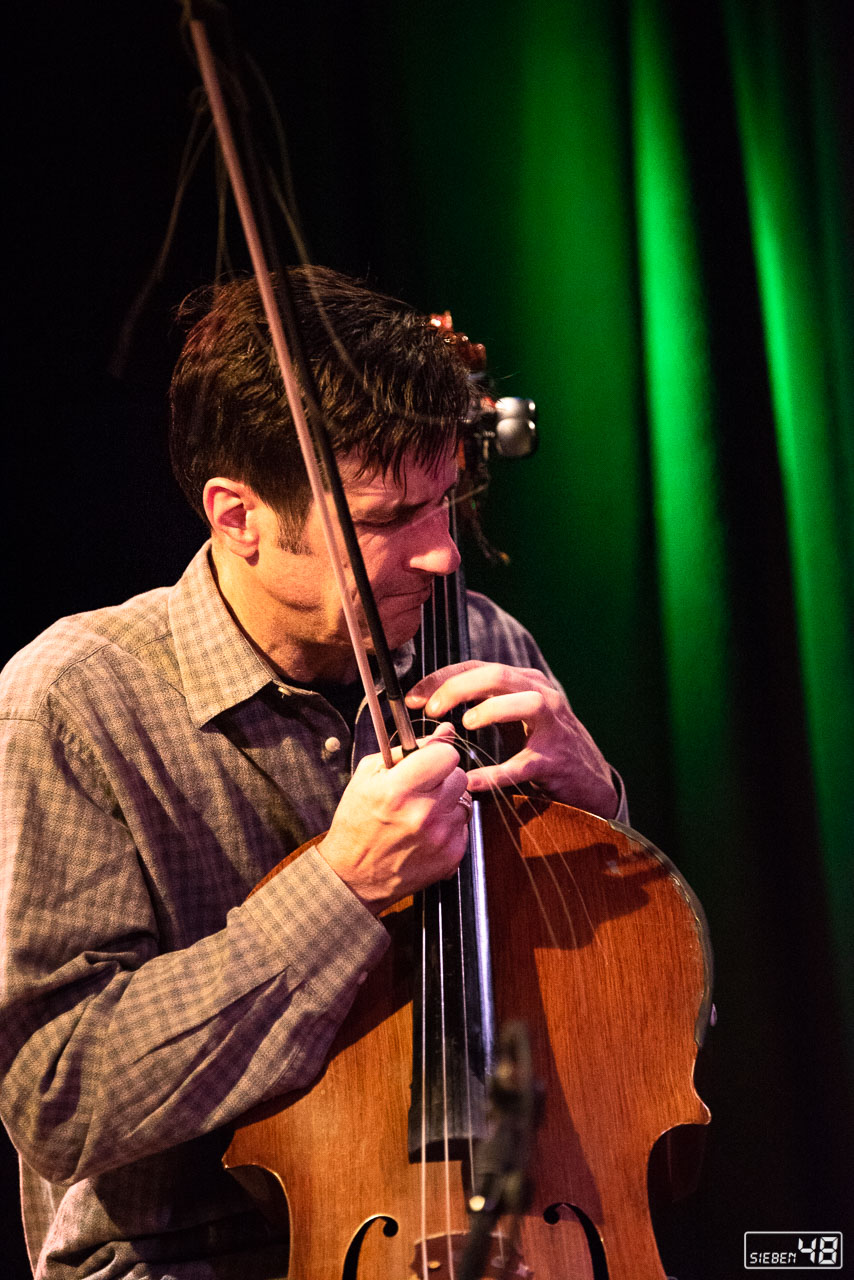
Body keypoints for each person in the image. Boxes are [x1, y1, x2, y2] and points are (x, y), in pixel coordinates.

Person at [0, 266, 625, 1279]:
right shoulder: (74, 703)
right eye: (385, 518)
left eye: (445, 499)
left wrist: (594, 810)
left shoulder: (474, 639)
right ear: (236, 515)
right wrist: (338, 888)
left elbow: (625, 1010)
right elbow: (58, 1098)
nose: (440, 555)